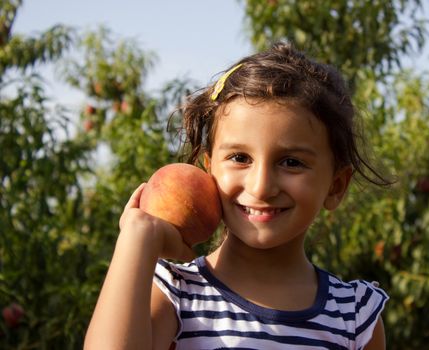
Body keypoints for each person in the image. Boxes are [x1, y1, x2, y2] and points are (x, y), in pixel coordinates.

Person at [84, 43, 391, 350]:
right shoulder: (176, 294)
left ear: (336, 186)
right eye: (240, 158)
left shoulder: (355, 315)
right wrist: (138, 239)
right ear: (209, 169)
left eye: (291, 162)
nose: (260, 187)